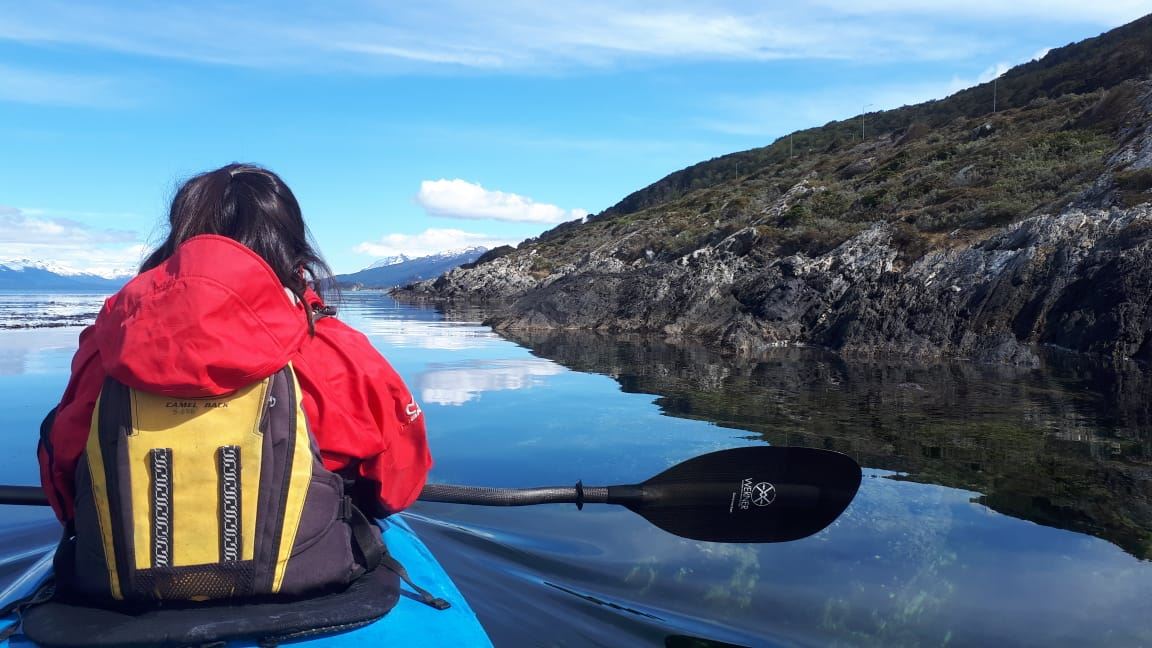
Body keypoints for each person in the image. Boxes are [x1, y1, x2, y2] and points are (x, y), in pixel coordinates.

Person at [36, 163, 431, 595]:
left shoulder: (104, 349)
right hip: (310, 583)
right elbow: (397, 488)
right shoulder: (337, 351)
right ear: (293, 247)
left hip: (119, 592)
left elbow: (63, 485)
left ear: (177, 240)